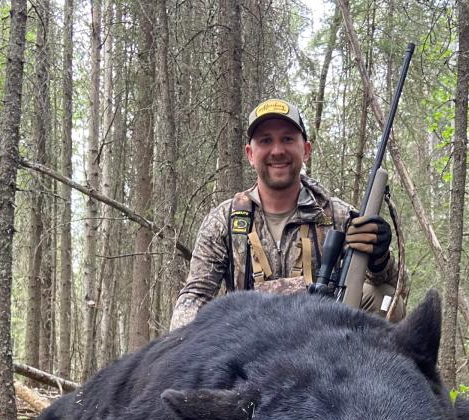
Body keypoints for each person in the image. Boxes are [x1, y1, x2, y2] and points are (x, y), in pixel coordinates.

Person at [170, 98, 400, 330]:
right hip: (249, 345)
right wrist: (178, 346)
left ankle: (363, 366)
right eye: (266, 140)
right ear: (250, 154)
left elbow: (396, 288)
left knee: (385, 297)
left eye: (287, 139)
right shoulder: (225, 220)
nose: (277, 151)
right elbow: (196, 295)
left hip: (324, 342)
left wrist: (380, 260)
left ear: (306, 150)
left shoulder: (339, 216)